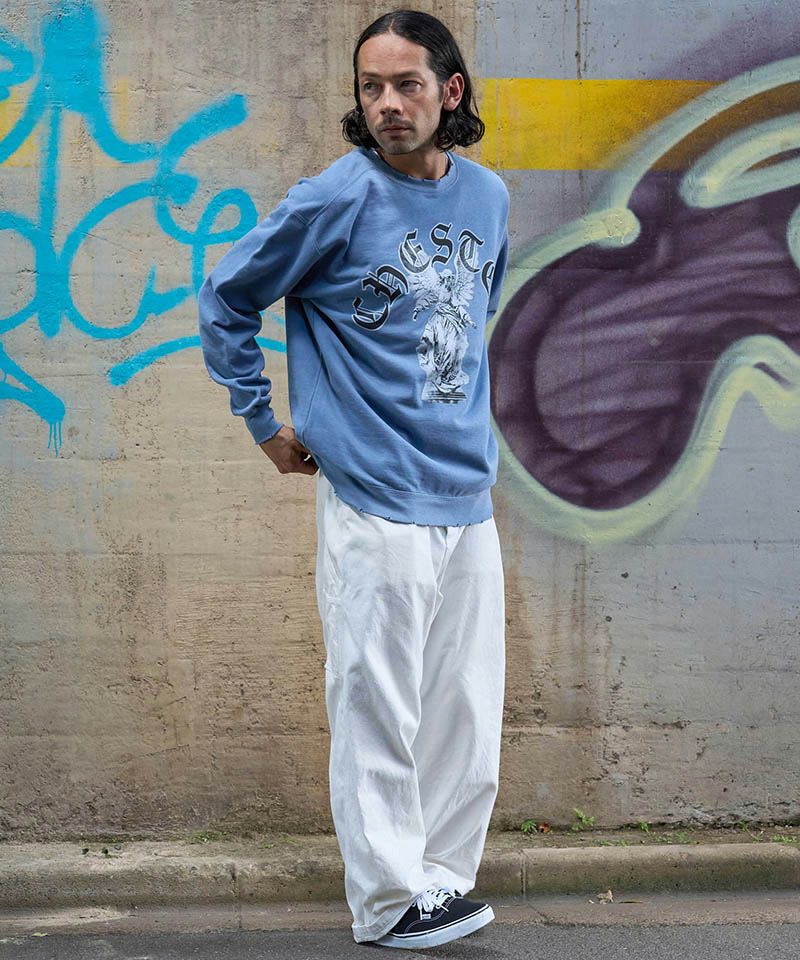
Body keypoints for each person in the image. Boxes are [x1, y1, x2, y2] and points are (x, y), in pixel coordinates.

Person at [197, 8, 509, 949]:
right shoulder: (336, 196)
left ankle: (440, 882)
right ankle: (386, 903)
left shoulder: (488, 197)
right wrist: (263, 423)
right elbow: (226, 297)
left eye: (407, 84)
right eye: (371, 87)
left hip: (466, 493)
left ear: (450, 90)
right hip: (373, 494)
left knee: (464, 711)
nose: (387, 104)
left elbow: (473, 321)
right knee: (376, 705)